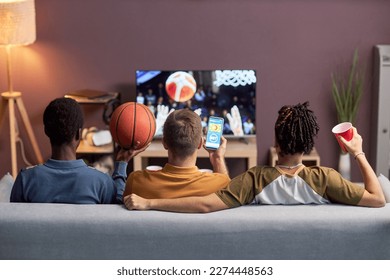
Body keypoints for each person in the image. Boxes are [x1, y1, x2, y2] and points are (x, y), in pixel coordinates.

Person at [124, 102, 386, 212]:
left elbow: (207, 205)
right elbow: (377, 199)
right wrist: (358, 153)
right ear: (308, 146)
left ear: (275, 142)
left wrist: (149, 203)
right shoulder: (326, 178)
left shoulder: (253, 179)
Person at [10, 97, 144, 204]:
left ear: (46, 131)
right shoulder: (101, 182)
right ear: (79, 134)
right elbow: (118, 210)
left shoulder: (25, 180)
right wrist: (121, 163)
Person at [122, 108, 230, 199]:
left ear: (164, 143)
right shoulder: (220, 185)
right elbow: (227, 199)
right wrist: (217, 158)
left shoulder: (136, 181)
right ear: (200, 143)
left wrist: (121, 162)